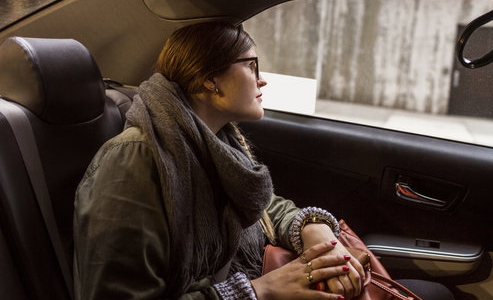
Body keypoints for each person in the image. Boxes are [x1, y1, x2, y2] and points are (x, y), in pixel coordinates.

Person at [73, 21, 454, 300]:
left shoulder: (217, 145)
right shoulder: (133, 162)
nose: (262, 79)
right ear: (210, 79)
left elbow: (264, 209)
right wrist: (259, 290)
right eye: (251, 65)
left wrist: (314, 231)